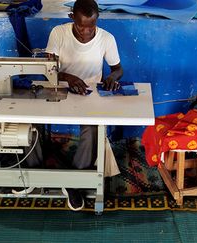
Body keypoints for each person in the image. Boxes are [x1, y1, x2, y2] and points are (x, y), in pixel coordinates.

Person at [44, 0, 123, 211]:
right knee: (33, 122)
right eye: (81, 26)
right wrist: (68, 77)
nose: (87, 31)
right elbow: (47, 68)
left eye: (91, 26)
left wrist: (112, 77)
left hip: (90, 95)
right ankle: (33, 170)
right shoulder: (58, 33)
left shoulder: (106, 38)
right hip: (59, 90)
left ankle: (73, 182)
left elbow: (117, 69)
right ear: (72, 19)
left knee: (92, 129)